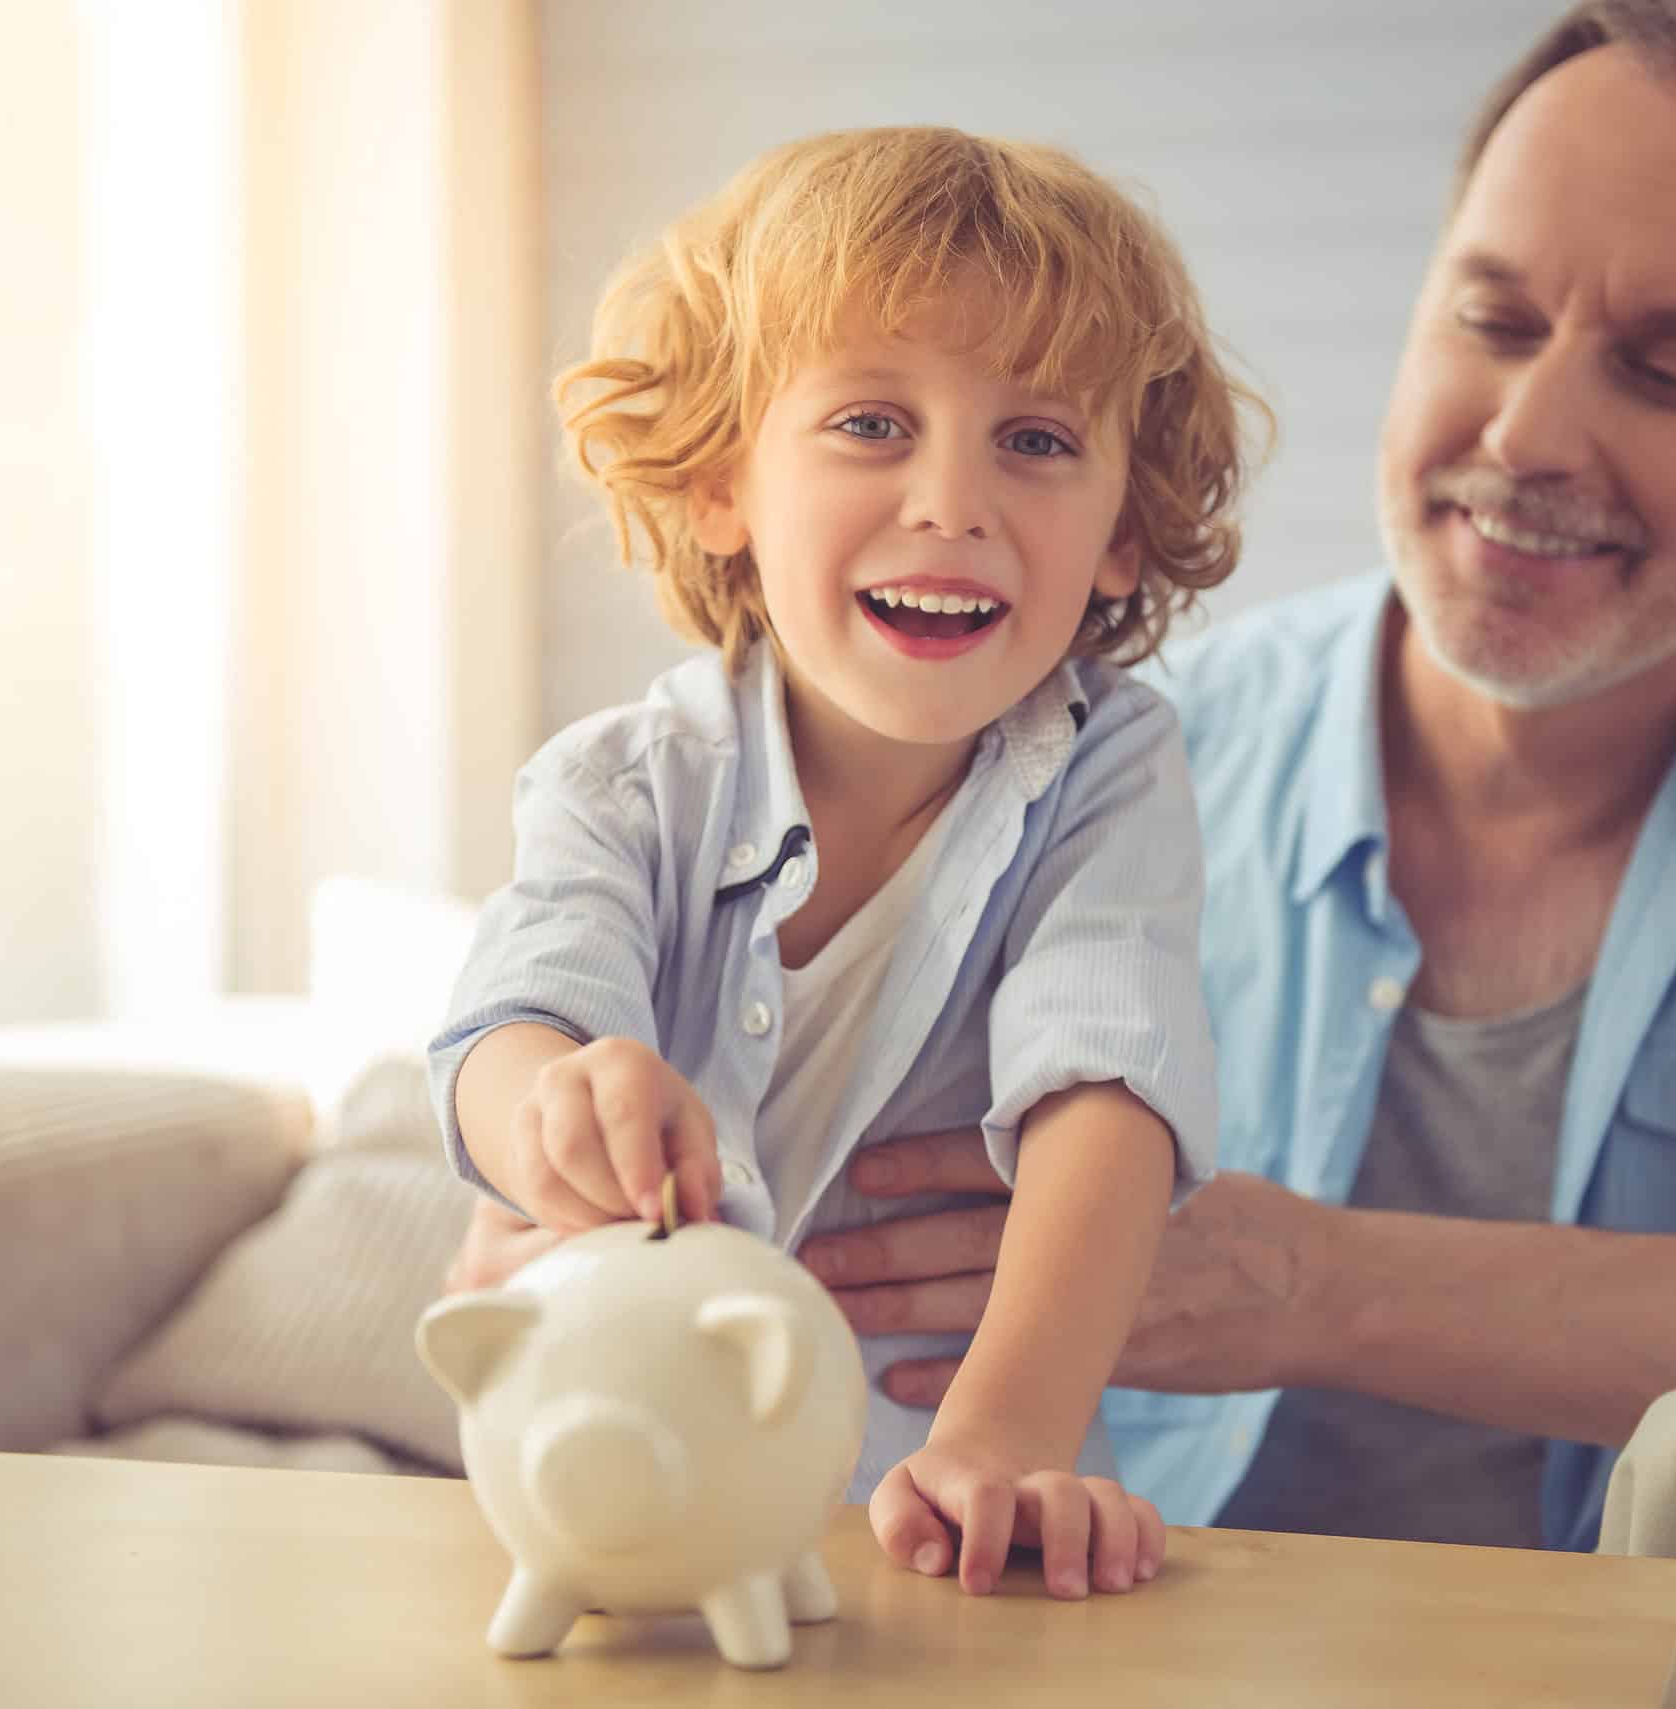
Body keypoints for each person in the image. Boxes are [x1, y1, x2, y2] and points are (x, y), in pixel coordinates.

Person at [450, 3, 1676, 1702]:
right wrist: (577, 1210)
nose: (1531, 431)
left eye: (1670, 367)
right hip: (1123, 1640)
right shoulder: (1056, 737)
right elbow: (572, 1042)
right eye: (1492, 318)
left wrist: (1326, 1283)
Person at [430, 127, 1270, 1603]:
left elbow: (1108, 1091)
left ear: (1123, 534)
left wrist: (1007, 1435)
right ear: (719, 485)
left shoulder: (1114, 773)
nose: (952, 499)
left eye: (1037, 439)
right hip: (624, 1491)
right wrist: (552, 1109)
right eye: (874, 423)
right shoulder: (623, 783)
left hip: (941, 1528)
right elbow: (515, 1016)